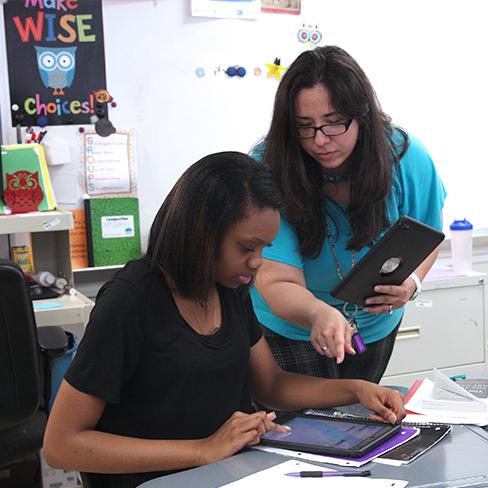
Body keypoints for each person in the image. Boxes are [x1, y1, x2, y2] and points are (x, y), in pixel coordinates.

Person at [43, 152, 405, 487]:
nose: (257, 261)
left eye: (264, 247)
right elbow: (62, 445)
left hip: (225, 474)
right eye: (247, 248)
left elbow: (271, 386)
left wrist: (354, 390)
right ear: (201, 233)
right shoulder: (130, 301)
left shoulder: (228, 287)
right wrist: (204, 449)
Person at [250, 46, 446, 383]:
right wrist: (319, 314)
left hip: (373, 326)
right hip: (291, 326)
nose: (320, 140)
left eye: (334, 123)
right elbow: (276, 279)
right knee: (302, 427)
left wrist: (411, 283)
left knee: (360, 420)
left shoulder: (406, 157)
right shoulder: (269, 166)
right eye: (304, 126)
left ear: (363, 115)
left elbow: (427, 238)